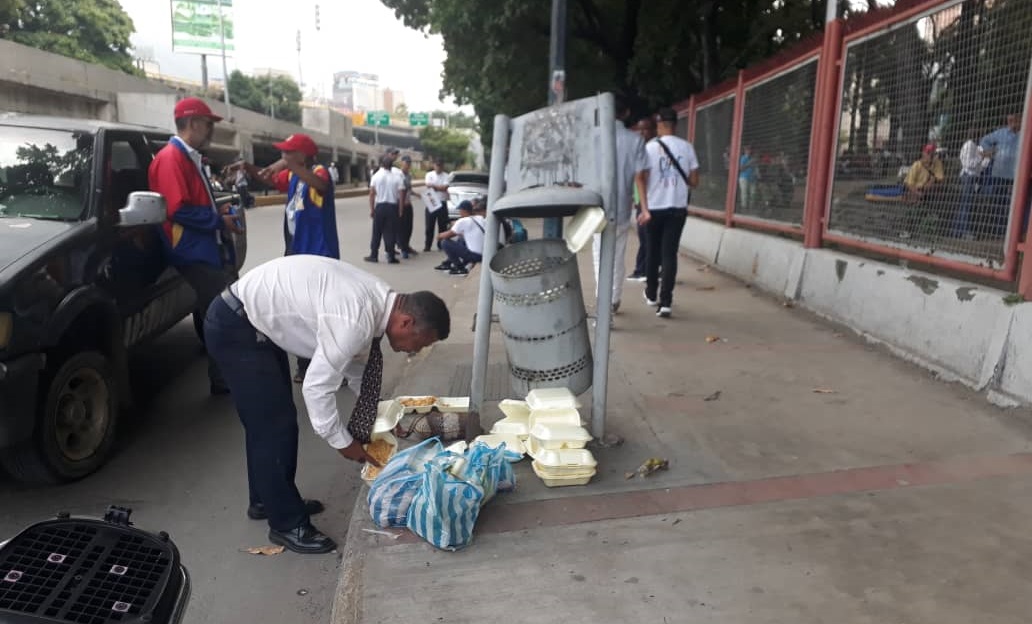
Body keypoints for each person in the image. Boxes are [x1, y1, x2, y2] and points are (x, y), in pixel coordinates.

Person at [204, 255, 451, 554]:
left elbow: (356, 367)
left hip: (252, 322)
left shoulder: (381, 302)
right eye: (421, 342)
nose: (416, 349)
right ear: (406, 322)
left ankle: (267, 500)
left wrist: (382, 414)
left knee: (267, 421)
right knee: (273, 425)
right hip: (236, 326)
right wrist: (343, 442)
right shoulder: (357, 318)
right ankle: (286, 524)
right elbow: (316, 387)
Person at [148, 97, 241, 395]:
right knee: (222, 312)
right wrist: (217, 222)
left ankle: (223, 373)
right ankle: (223, 378)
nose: (211, 129)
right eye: (208, 123)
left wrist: (217, 215)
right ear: (194, 123)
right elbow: (177, 209)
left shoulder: (187, 156)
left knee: (212, 310)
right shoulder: (171, 158)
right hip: (190, 249)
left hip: (202, 246)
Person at [592, 94, 649, 314]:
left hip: (594, 208)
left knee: (599, 255)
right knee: (617, 256)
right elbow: (640, 178)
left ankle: (601, 300)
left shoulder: (592, 137)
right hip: (622, 208)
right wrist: (644, 208)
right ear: (625, 114)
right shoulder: (635, 140)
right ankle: (613, 299)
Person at [643, 107, 700, 319]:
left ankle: (650, 293)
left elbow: (642, 177)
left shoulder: (649, 148)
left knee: (652, 251)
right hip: (677, 208)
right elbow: (694, 181)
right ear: (675, 125)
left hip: (654, 207)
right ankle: (665, 302)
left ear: (659, 124)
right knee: (669, 254)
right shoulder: (687, 148)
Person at [980, 114, 1021, 236]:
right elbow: (984, 140)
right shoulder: (1000, 133)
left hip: (1015, 175)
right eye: (1009, 120)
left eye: (1013, 120)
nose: (1011, 123)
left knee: (1011, 204)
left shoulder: (1024, 134)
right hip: (999, 173)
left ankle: (1008, 231)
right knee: (998, 201)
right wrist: (989, 151)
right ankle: (997, 230)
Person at [628, 115, 657, 282]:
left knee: (647, 237)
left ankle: (644, 270)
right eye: (640, 129)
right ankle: (643, 269)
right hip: (641, 200)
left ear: (654, 130)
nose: (642, 132)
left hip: (650, 201)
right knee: (644, 237)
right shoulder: (639, 149)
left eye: (646, 128)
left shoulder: (653, 151)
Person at [436, 200, 498, 276]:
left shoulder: (462, 221)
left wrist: (439, 236)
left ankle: (460, 268)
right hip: (484, 254)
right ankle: (447, 263)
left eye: (460, 210)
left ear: (464, 210)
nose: (459, 212)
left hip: (475, 256)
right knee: (461, 239)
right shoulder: (479, 218)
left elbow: (447, 235)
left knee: (445, 243)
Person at [366, 154, 405, 263]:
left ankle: (374, 255)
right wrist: (401, 209)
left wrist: (372, 209)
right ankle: (391, 256)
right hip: (392, 207)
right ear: (391, 165)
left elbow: (372, 194)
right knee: (390, 232)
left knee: (376, 231)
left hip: (380, 206)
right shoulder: (397, 177)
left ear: (382, 164)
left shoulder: (376, 176)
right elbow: (401, 195)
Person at [953, 129, 985, 239]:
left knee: (966, 204)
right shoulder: (969, 145)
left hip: (972, 177)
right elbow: (968, 163)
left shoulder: (975, 146)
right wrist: (981, 156)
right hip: (968, 176)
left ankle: (957, 230)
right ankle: (963, 231)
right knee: (966, 205)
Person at [424, 159, 451, 251]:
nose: (438, 167)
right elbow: (428, 186)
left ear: (442, 166)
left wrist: (434, 187)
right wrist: (438, 187)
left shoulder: (446, 176)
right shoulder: (429, 175)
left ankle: (441, 245)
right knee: (429, 226)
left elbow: (445, 188)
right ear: (434, 165)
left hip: (442, 202)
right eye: (437, 165)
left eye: (440, 165)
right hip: (431, 201)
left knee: (442, 226)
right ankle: (427, 245)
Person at [397, 155, 419, 258]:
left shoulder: (409, 176)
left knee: (409, 227)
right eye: (406, 163)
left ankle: (406, 245)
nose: (408, 165)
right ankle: (403, 248)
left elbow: (409, 189)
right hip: (401, 204)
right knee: (401, 228)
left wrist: (416, 194)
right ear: (402, 163)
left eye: (409, 163)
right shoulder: (398, 175)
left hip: (408, 204)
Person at [738, 145, 759, 212]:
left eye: (750, 149)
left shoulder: (753, 158)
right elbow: (741, 169)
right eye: (747, 150)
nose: (749, 151)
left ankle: (751, 207)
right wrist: (750, 163)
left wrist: (757, 174)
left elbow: (755, 168)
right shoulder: (743, 158)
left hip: (752, 178)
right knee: (744, 193)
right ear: (745, 151)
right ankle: (744, 207)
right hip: (744, 178)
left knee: (753, 193)